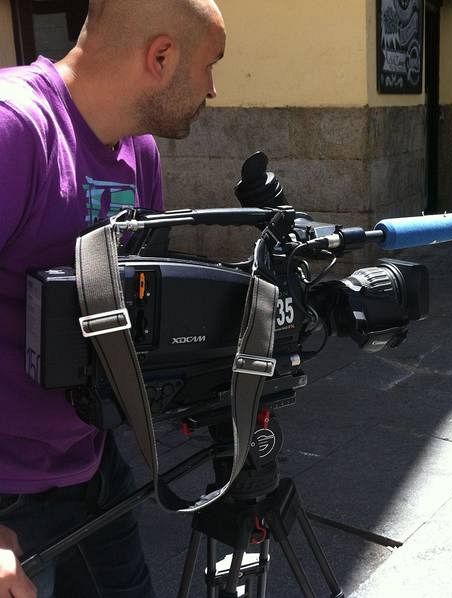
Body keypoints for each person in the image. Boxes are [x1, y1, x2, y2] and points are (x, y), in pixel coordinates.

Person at [0, 1, 226, 596]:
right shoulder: (14, 128)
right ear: (161, 56)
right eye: (210, 66)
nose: (213, 88)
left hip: (91, 466)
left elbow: (135, 309)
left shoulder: (139, 152)